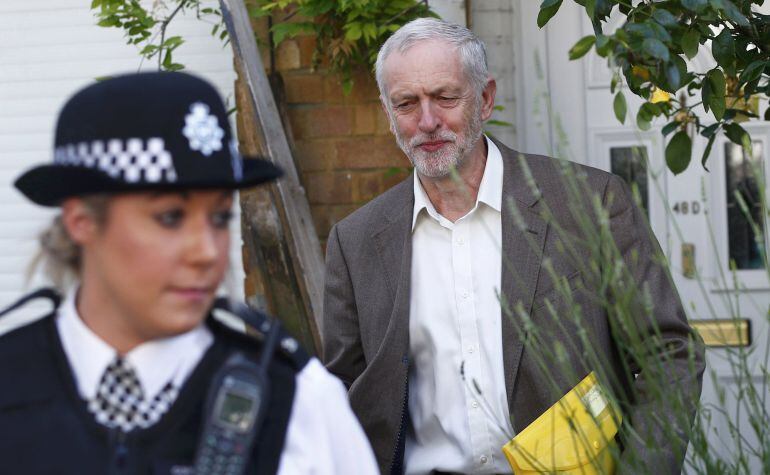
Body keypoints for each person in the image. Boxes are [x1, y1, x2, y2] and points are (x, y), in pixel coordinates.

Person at [320, 17, 706, 475]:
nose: (427, 122)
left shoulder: (589, 204)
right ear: (389, 114)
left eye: (445, 97)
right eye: (406, 103)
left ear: (484, 99)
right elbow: (340, 395)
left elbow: (669, 351)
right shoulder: (357, 241)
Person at [0, 72, 378, 475]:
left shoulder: (296, 404)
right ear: (81, 221)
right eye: (170, 217)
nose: (207, 252)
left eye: (219, 217)